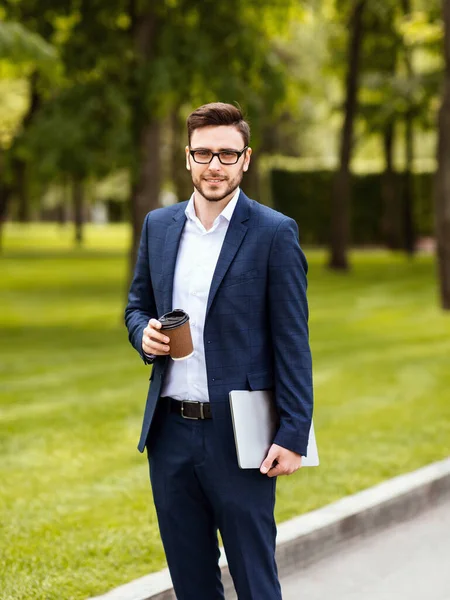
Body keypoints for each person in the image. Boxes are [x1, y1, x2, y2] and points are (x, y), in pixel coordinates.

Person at [125, 102, 313, 600]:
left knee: (255, 581)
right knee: (191, 585)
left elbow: (292, 340)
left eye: (227, 154)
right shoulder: (159, 226)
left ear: (245, 159)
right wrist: (141, 332)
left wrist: (294, 433)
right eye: (204, 153)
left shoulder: (274, 232)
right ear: (187, 158)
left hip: (241, 437)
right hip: (169, 434)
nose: (215, 165)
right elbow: (137, 304)